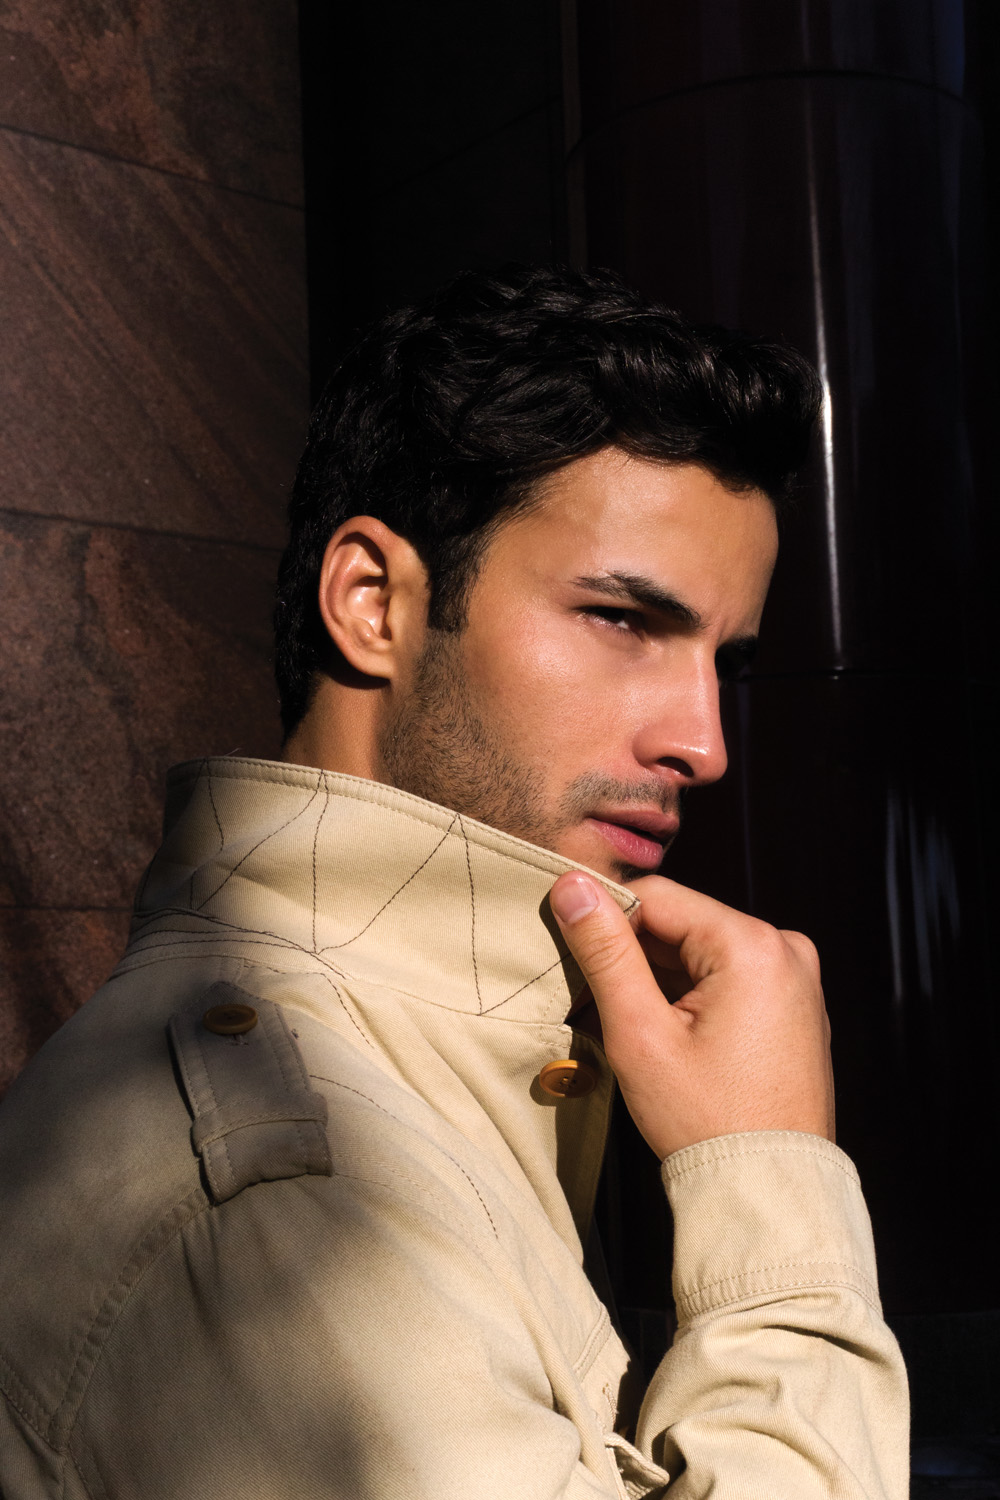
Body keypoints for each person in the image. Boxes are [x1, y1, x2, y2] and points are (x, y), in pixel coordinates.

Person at [0, 265, 908, 1499]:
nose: (703, 743)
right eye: (623, 620)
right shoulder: (278, 1181)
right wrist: (771, 1178)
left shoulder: (385, 1065)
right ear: (372, 603)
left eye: (724, 664)